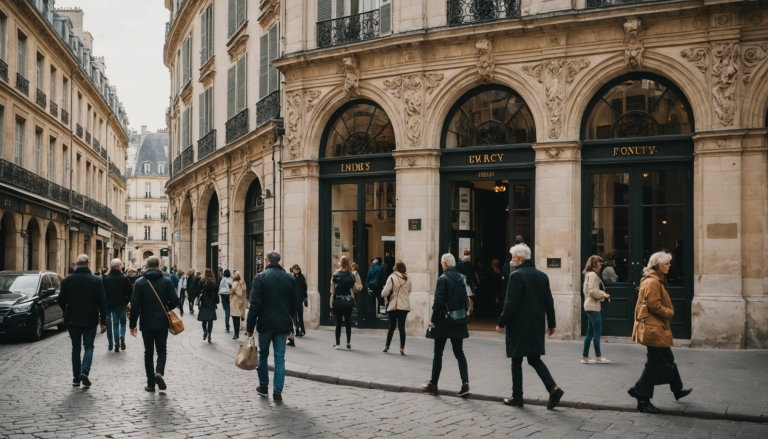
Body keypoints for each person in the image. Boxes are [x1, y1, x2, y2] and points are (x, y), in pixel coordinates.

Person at [496, 244, 563, 409]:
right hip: (536, 324)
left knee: (516, 360)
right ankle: (553, 388)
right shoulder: (542, 276)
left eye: (513, 257)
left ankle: (517, 396)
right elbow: (549, 302)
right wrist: (551, 324)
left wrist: (501, 323)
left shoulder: (516, 275)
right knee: (534, 359)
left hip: (519, 325)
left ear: (521, 258)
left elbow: (510, 303)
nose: (512, 260)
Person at [628, 251, 692, 414]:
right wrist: (669, 312)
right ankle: (642, 399)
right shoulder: (653, 282)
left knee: (668, 359)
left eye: (669, 263)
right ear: (658, 265)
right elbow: (654, 305)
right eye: (667, 264)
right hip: (654, 329)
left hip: (656, 328)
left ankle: (677, 389)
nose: (670, 266)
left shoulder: (656, 279)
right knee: (653, 364)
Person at [246, 250, 302, 402]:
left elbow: (254, 305)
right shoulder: (289, 278)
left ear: (267, 260)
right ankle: (277, 392)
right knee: (279, 358)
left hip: (265, 323)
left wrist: (250, 327)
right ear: (279, 260)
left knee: (263, 355)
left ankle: (263, 386)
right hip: (283, 323)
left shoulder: (260, 278)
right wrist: (288, 315)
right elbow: (296, 303)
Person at [129, 256, 180, 392]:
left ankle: (150, 384)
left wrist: (132, 325)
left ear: (146, 266)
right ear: (159, 267)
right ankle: (159, 372)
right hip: (162, 320)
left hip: (146, 321)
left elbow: (135, 306)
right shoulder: (166, 281)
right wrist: (166, 308)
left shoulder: (140, 282)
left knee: (148, 352)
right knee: (162, 349)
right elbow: (175, 300)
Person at [423, 253, 470, 398]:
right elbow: (466, 299)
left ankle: (433, 383)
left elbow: (438, 301)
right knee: (459, 352)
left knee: (438, 354)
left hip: (443, 321)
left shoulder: (443, 278)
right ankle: (465, 383)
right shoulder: (462, 277)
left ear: (444, 264)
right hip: (458, 319)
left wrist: (433, 321)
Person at [58, 254, 107, 388]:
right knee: (89, 346)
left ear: (77, 263)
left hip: (73, 318)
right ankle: (85, 371)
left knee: (76, 347)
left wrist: (67, 311)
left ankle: (76, 377)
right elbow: (102, 301)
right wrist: (103, 320)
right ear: (88, 263)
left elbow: (61, 299)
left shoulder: (68, 279)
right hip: (90, 318)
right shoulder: (96, 280)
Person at [582, 255, 611, 364]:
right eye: (600, 262)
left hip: (589, 305)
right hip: (593, 306)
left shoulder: (589, 274)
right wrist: (604, 295)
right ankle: (598, 357)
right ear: (594, 263)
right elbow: (593, 291)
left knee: (590, 332)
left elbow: (589, 291)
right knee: (597, 332)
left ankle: (585, 356)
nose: (601, 264)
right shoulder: (593, 275)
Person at [381, 261, 411, 355]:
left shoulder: (392, 277)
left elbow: (385, 292)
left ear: (395, 267)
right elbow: (410, 290)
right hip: (404, 306)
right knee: (402, 328)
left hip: (394, 305)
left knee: (392, 327)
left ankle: (387, 345)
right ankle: (402, 348)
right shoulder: (408, 278)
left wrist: (384, 294)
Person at [103, 258, 133, 353]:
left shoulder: (106, 279)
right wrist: (127, 301)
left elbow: (104, 293)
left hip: (111, 305)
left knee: (115, 323)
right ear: (120, 266)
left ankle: (116, 344)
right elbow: (130, 292)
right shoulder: (124, 278)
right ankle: (122, 336)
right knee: (123, 323)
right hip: (121, 304)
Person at [330, 256, 356, 349]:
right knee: (348, 322)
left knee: (338, 323)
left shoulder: (335, 274)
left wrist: (331, 300)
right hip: (348, 301)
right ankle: (348, 342)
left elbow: (332, 290)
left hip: (338, 301)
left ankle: (338, 343)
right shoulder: (351, 275)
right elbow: (354, 289)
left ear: (340, 263)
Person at [196, 268, 219, 342]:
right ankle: (209, 335)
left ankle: (204, 331)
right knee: (210, 319)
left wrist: (199, 299)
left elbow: (198, 290)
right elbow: (216, 291)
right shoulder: (213, 281)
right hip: (211, 300)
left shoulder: (202, 280)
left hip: (204, 301)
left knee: (204, 319)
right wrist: (216, 300)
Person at [229, 270, 247, 340]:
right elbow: (244, 293)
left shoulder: (235, 283)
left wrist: (231, 287)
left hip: (235, 301)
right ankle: (236, 333)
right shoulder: (243, 283)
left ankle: (236, 334)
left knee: (235, 318)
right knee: (238, 318)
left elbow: (232, 292)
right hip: (241, 302)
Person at [290, 264, 308, 337]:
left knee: (299, 315)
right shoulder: (291, 277)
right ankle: (298, 329)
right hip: (293, 299)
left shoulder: (300, 277)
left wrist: (305, 297)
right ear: (293, 269)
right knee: (294, 315)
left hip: (299, 298)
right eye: (295, 269)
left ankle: (302, 330)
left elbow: (304, 287)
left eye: (298, 269)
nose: (297, 270)